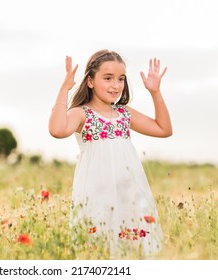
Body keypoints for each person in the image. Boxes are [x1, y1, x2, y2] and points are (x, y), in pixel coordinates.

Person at [48, 49, 172, 258]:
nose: (115, 85)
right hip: (97, 191)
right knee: (99, 245)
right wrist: (64, 89)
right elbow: (57, 130)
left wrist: (155, 92)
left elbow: (164, 129)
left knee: (133, 245)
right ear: (90, 81)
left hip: (128, 191)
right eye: (108, 78)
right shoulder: (81, 113)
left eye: (121, 79)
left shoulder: (124, 113)